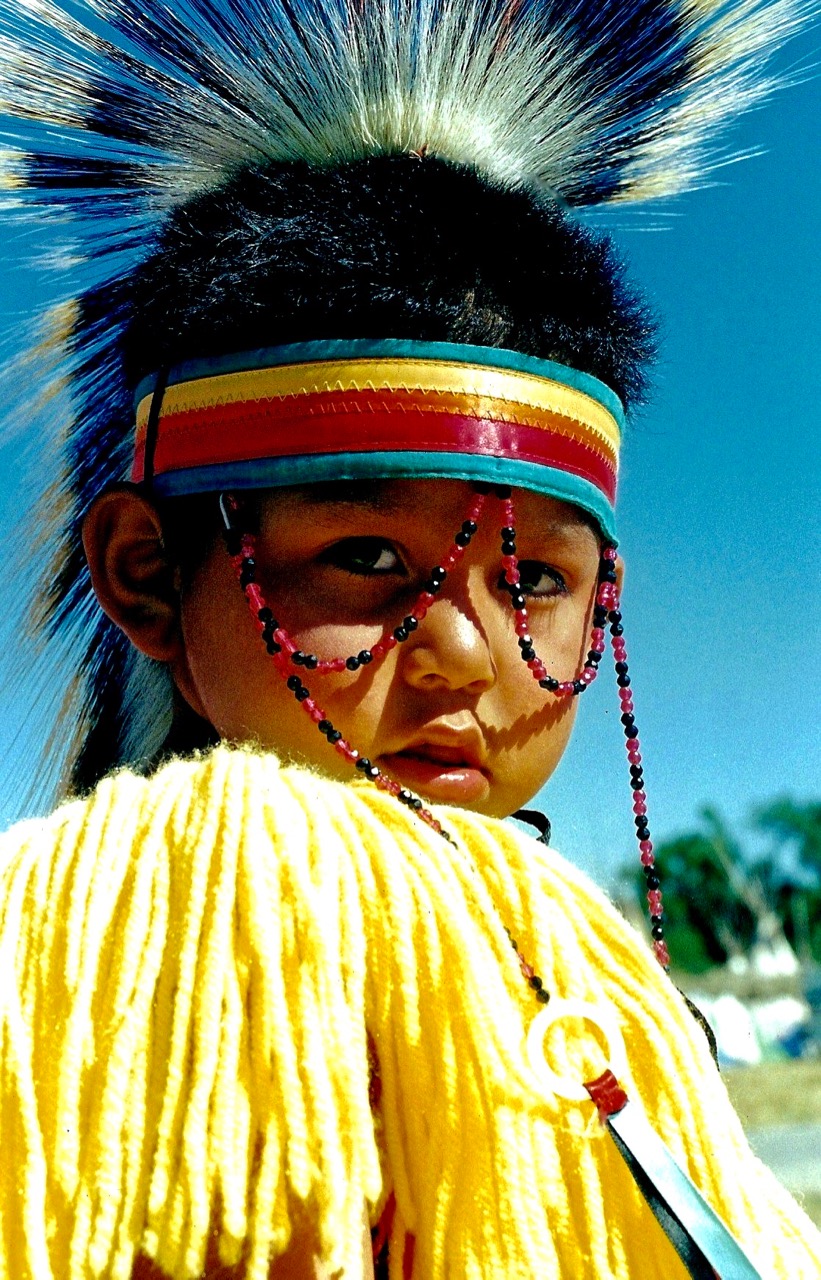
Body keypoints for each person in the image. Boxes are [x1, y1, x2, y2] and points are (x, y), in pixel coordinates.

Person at [1, 2, 820, 1278]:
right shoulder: (167, 922)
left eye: (536, 578)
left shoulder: (576, 968)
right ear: (148, 572)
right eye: (370, 557)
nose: (463, 653)